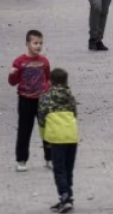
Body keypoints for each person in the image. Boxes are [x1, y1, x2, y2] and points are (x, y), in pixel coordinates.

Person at [9, 29, 51, 172]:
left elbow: (47, 77)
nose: (38, 46)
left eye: (40, 43)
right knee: (24, 130)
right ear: (27, 44)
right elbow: (13, 82)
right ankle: (21, 159)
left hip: (42, 100)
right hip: (25, 99)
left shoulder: (44, 61)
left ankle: (50, 158)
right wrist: (12, 74)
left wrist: (47, 90)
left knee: (46, 129)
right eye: (35, 43)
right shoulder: (19, 62)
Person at [38, 68, 78, 213]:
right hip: (71, 136)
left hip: (56, 137)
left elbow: (41, 119)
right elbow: (75, 114)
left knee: (59, 169)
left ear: (50, 81)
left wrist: (45, 137)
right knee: (68, 169)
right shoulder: (70, 96)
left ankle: (64, 196)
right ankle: (69, 195)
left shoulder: (45, 97)